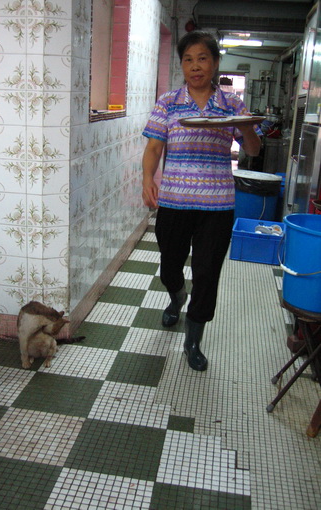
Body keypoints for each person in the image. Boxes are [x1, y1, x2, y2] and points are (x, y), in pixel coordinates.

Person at [142, 30, 261, 371]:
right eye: (188, 60)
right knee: (169, 267)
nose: (195, 66)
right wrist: (146, 179)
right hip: (175, 202)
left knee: (207, 274)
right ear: (182, 65)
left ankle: (193, 340)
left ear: (215, 63)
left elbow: (252, 150)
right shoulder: (168, 102)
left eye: (203, 58)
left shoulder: (231, 105)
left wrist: (248, 128)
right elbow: (153, 147)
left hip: (217, 206)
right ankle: (176, 296)